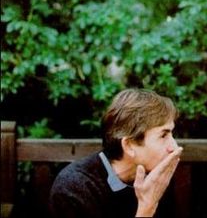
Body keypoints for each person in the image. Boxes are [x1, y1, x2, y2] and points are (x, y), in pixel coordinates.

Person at [49, 88, 183, 218]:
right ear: (129, 145)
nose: (174, 147)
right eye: (163, 136)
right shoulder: (73, 188)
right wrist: (147, 207)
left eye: (171, 134)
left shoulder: (156, 176)